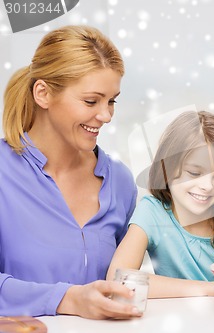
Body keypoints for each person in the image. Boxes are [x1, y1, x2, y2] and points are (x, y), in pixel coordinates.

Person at [0, 25, 140, 319]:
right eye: (91, 101)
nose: (106, 115)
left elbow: (126, 280)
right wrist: (67, 299)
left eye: (111, 100)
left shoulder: (121, 182)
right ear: (43, 94)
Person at [107, 111, 214, 297]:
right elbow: (117, 281)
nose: (207, 186)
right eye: (194, 173)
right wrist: (209, 289)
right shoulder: (152, 211)